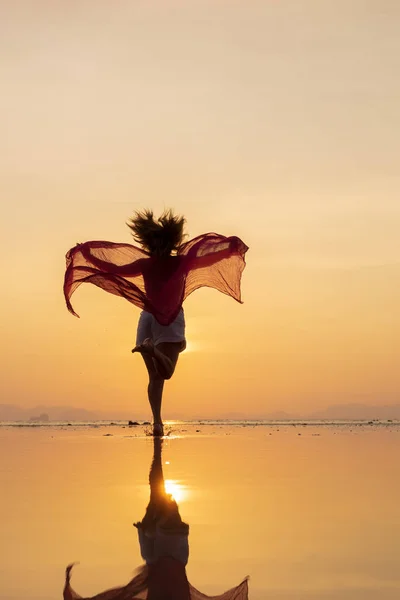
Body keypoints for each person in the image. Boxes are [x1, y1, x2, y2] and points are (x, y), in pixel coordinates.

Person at [64, 209, 248, 436]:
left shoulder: (145, 264)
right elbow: (208, 257)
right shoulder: (179, 263)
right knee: (166, 373)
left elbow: (113, 270)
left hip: (147, 319)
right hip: (168, 319)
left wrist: (88, 255)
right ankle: (154, 365)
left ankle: (157, 423)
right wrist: (232, 248)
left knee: (155, 378)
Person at [64, 437, 249, 600]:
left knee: (156, 487)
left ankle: (157, 454)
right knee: (156, 487)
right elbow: (152, 547)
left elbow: (153, 547)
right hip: (167, 553)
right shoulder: (160, 550)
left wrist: (146, 531)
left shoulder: (159, 551)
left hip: (167, 553)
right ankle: (157, 455)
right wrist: (146, 531)